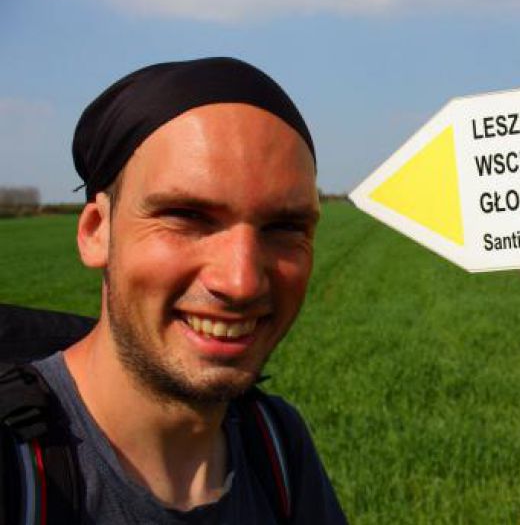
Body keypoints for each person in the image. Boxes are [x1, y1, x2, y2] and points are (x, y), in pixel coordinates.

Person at [3, 58, 347, 523]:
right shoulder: (16, 471)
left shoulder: (276, 445)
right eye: (186, 217)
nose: (241, 282)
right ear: (96, 231)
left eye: (284, 227)